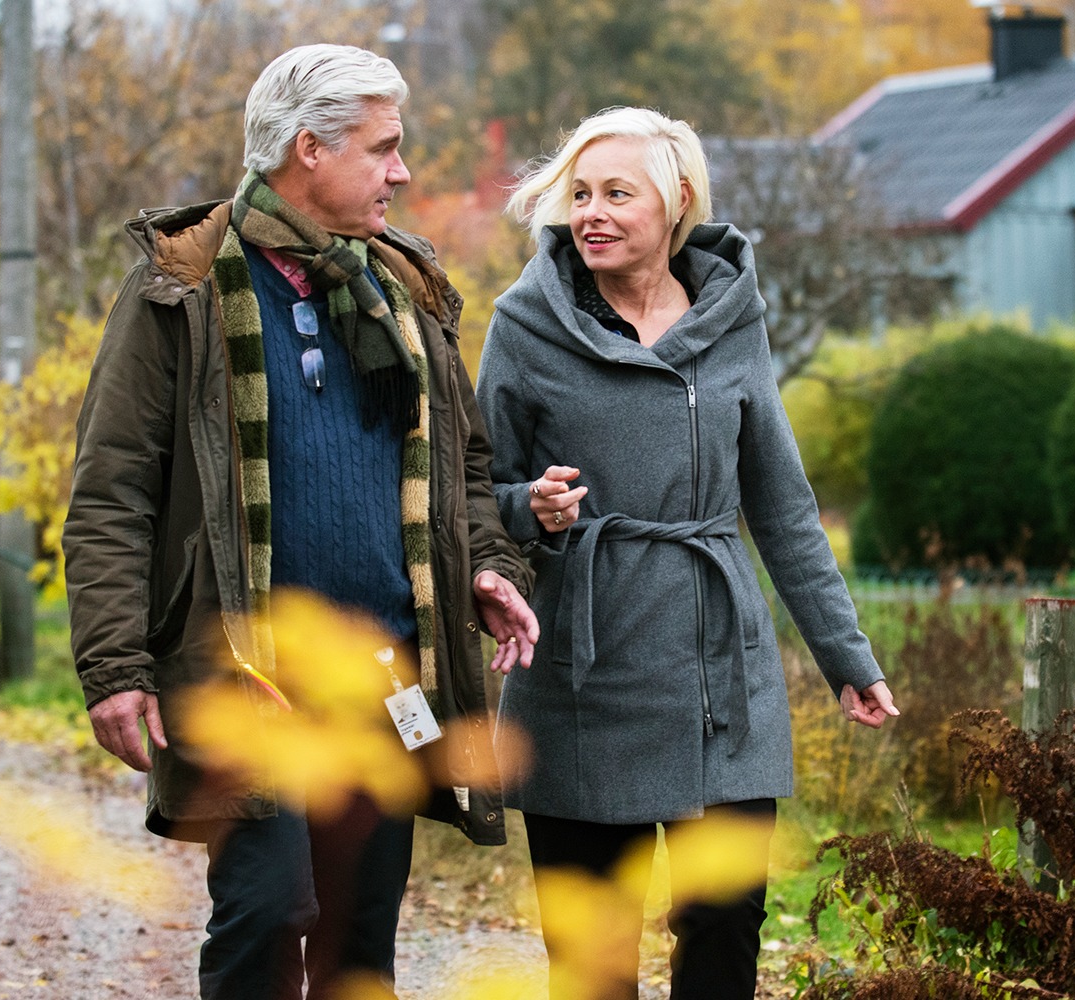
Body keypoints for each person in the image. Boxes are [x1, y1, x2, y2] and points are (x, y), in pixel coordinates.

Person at [62, 44, 539, 1000]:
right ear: (309, 151)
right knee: (268, 912)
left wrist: (489, 564)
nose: (402, 171)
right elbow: (113, 490)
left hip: (385, 676)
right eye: (384, 148)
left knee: (361, 938)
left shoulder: (407, 292)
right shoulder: (183, 289)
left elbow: (465, 466)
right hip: (246, 677)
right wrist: (114, 667)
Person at [475, 107, 900, 999]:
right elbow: (477, 494)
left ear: (675, 204)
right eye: (579, 194)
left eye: (617, 194)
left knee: (725, 924)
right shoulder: (523, 325)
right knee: (593, 960)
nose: (591, 212)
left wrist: (845, 656)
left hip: (721, 674)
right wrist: (532, 508)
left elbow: (781, 505)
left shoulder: (731, 320)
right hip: (585, 672)